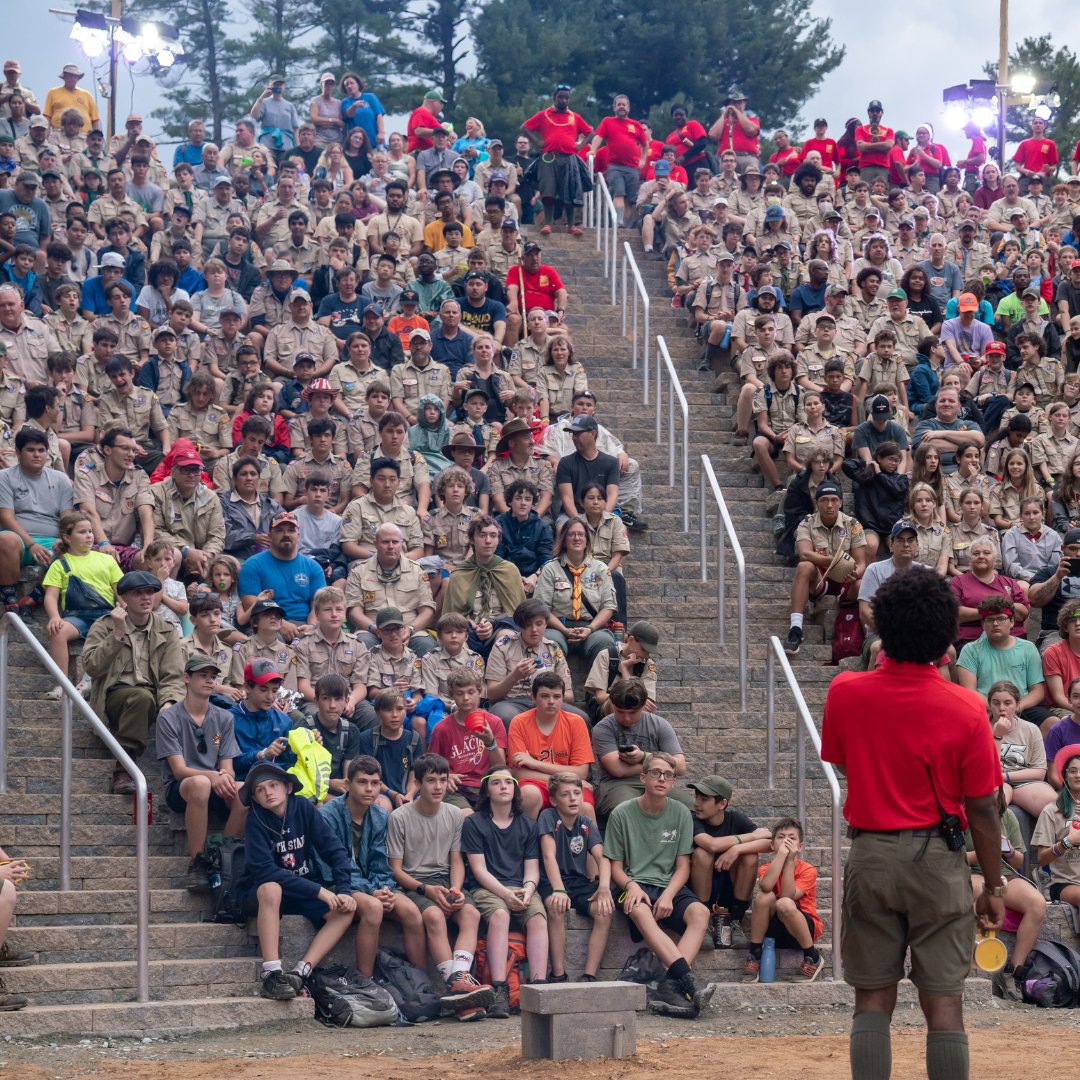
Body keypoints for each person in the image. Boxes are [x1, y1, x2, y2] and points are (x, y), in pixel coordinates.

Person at [821, 567, 1005, 1080]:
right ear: (947, 635)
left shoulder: (845, 691)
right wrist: (992, 884)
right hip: (939, 860)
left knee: (871, 1000)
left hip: (871, 854)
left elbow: (841, 759)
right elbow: (984, 808)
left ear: (884, 627)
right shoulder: (969, 707)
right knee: (944, 1003)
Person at [605, 749, 715, 1019]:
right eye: (655, 772)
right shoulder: (621, 813)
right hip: (635, 883)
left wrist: (667, 896)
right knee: (640, 909)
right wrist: (631, 886)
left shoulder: (681, 813)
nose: (662, 778)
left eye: (668, 775)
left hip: (669, 884)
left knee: (701, 913)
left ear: (673, 782)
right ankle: (688, 980)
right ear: (643, 777)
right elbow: (615, 867)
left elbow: (683, 866)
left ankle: (669, 984)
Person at [234, 761, 357, 1000]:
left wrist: (343, 890)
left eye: (273, 785)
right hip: (259, 893)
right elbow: (265, 872)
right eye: (260, 790)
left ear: (288, 787)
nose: (268, 792)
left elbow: (336, 851)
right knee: (271, 888)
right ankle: (271, 974)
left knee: (345, 911)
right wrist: (318, 891)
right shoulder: (255, 818)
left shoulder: (303, 808)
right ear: (256, 798)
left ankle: (301, 972)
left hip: (298, 887)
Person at [386, 752, 495, 1020]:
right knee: (434, 916)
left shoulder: (455, 814)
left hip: (445, 880)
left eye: (443, 780)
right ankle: (459, 986)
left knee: (470, 912)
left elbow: (456, 859)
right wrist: (426, 890)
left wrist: (456, 889)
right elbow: (395, 870)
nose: (437, 787)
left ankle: (458, 982)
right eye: (431, 780)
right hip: (415, 884)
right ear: (418, 782)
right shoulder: (399, 817)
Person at [315, 755, 427, 974]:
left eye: (375, 783)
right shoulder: (326, 816)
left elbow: (380, 860)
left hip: (372, 886)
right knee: (373, 908)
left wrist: (383, 888)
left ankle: (421, 982)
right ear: (347, 784)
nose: (369, 789)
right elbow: (333, 865)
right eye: (362, 782)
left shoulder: (379, 815)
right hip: (337, 885)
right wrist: (372, 892)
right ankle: (365, 980)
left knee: (412, 911)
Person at [82, 570, 185, 794]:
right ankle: (124, 769)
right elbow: (91, 667)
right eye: (138, 593)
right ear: (124, 598)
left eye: (150, 592)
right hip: (114, 694)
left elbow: (174, 676)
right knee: (141, 698)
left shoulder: (167, 631)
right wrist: (117, 634)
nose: (146, 598)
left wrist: (169, 701)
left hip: (152, 696)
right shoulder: (105, 625)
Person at [461, 767, 549, 1017]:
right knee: (500, 916)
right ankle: (499, 989)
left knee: (538, 918)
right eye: (496, 783)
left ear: (515, 789)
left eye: (507, 783)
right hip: (487, 887)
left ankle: (538, 988)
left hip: (520, 887)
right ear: (486, 790)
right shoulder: (474, 823)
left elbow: (532, 870)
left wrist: (529, 891)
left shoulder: (528, 825)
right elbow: (479, 870)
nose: (502, 787)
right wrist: (506, 895)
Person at [157, 655, 245, 892]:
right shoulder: (168, 717)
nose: (209, 681)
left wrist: (225, 776)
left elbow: (227, 763)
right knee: (199, 784)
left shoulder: (224, 717)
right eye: (202, 676)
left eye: (213, 677)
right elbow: (179, 770)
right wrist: (213, 776)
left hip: (213, 783)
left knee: (244, 790)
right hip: (182, 788)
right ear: (187, 678)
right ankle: (197, 862)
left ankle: (222, 857)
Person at [689, 775, 772, 951]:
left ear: (722, 804)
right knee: (702, 853)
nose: (697, 803)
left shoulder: (735, 818)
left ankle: (735, 921)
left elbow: (769, 843)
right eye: (696, 797)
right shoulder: (693, 819)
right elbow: (710, 844)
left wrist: (737, 850)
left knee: (750, 855)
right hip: (702, 892)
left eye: (704, 799)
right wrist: (749, 837)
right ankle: (704, 922)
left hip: (730, 889)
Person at [742, 818, 825, 981]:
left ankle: (812, 956)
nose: (786, 841)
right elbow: (765, 886)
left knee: (784, 902)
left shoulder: (808, 870)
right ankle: (755, 953)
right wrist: (781, 857)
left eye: (792, 838)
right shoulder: (766, 868)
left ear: (800, 847)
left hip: (801, 932)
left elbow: (788, 897)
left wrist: (789, 862)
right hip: (774, 931)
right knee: (764, 896)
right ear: (772, 845)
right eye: (781, 837)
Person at [506, 670, 595, 820]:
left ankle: (593, 844)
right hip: (539, 784)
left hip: (570, 785)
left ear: (562, 698)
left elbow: (581, 773)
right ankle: (526, 842)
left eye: (557, 696)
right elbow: (519, 773)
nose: (551, 701)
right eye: (545, 696)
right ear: (533, 698)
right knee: (529, 794)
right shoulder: (519, 722)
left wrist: (534, 763)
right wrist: (566, 780)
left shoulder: (576, 722)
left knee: (585, 807)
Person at [237, 511, 326, 637]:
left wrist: (311, 626)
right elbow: (251, 606)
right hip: (266, 624)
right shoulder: (252, 565)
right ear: (269, 536)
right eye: (279, 530)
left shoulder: (313, 567)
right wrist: (281, 624)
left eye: (291, 530)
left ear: (298, 535)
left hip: (303, 625)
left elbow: (318, 606)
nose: (286, 535)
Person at [986, 680, 1057, 817]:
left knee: (1053, 805)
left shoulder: (1030, 729)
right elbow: (987, 771)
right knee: (994, 803)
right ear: (990, 704)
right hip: (993, 782)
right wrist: (997, 736)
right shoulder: (980, 728)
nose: (1001, 708)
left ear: (1017, 704)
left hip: (1024, 782)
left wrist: (1005, 776)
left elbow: (1039, 771)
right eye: (996, 703)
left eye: (1007, 703)